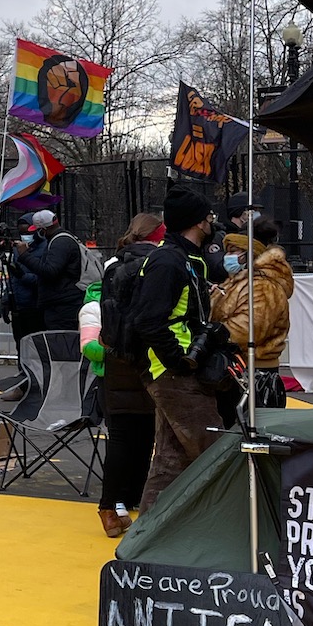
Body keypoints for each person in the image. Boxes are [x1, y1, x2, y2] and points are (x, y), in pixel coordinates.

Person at [127, 186, 226, 515]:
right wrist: (180, 360)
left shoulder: (184, 259)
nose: (213, 221)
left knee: (169, 462)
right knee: (216, 454)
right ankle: (227, 530)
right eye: (209, 216)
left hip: (172, 371)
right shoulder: (169, 262)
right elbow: (148, 320)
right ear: (199, 223)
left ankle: (147, 535)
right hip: (174, 373)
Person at [94, 212, 165, 539]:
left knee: (121, 437)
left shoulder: (112, 266)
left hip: (116, 357)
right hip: (148, 357)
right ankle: (131, 498)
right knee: (147, 433)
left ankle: (110, 506)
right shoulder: (158, 265)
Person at [211, 217, 295, 409]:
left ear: (248, 254)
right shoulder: (239, 281)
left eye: (234, 251)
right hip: (238, 369)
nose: (227, 256)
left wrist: (213, 333)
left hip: (256, 374)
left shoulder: (263, 286)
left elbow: (250, 328)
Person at [29, 208, 85, 331]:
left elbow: (50, 271)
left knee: (61, 343)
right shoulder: (62, 239)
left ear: (43, 230)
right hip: (62, 302)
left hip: (63, 306)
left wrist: (25, 256)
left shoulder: (60, 242)